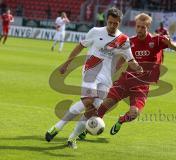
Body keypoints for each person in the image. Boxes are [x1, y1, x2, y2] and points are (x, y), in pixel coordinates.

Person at [76, 13, 176, 143]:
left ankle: (121, 120)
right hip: (126, 79)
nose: (139, 29)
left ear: (148, 27)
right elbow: (121, 59)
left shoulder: (157, 40)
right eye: (138, 26)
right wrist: (113, 71)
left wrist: (171, 45)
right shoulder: (129, 41)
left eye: (143, 27)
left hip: (142, 85)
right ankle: (87, 129)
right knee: (106, 104)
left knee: (133, 114)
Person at [45, 7, 142, 149]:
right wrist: (67, 64)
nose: (112, 26)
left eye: (115, 23)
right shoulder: (95, 31)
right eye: (110, 22)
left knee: (94, 108)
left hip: (106, 76)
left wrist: (138, 67)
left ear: (119, 23)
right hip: (91, 70)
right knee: (88, 101)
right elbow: (79, 47)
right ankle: (57, 127)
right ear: (106, 21)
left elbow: (130, 59)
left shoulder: (123, 40)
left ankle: (72, 138)